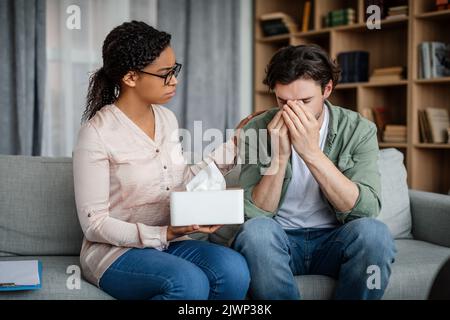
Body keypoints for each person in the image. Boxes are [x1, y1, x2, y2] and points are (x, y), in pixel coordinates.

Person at [72, 21, 253, 300]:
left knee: (234, 269)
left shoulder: (167, 119)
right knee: (189, 283)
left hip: (170, 242)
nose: (175, 80)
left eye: (175, 70)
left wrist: (235, 144)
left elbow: (178, 181)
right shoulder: (96, 133)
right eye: (165, 74)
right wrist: (163, 233)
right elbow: (94, 224)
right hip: (116, 252)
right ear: (131, 77)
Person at [233, 44, 397, 300]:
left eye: (305, 101)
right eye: (283, 101)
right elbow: (252, 215)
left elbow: (365, 211)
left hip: (335, 241)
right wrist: (280, 156)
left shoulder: (358, 130)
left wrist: (312, 153)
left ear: (327, 90)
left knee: (375, 234)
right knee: (256, 233)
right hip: (279, 240)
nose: (292, 111)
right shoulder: (257, 129)